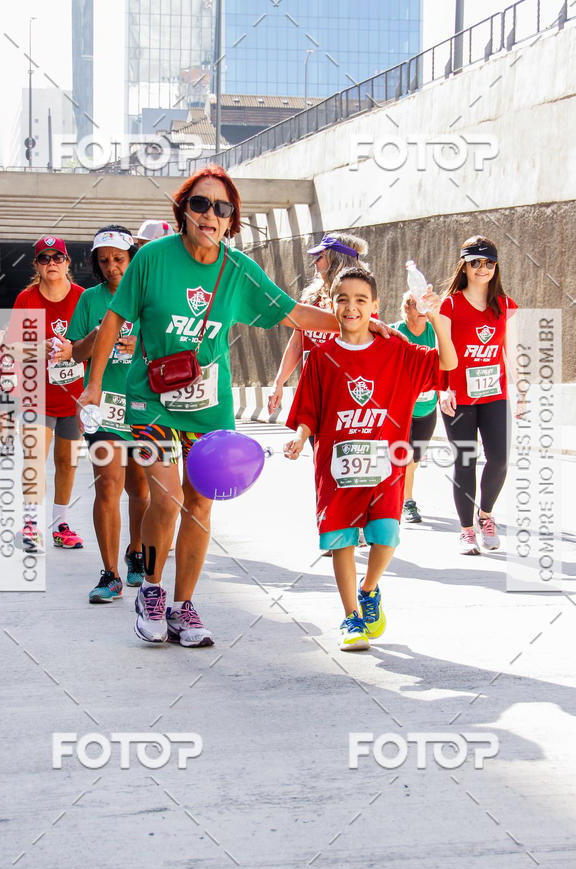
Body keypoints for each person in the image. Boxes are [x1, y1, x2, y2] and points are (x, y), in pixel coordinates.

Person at [77, 164, 398, 648]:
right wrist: (94, 384)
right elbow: (115, 318)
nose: (211, 214)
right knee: (165, 498)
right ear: (183, 209)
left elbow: (293, 312)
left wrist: (357, 320)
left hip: (211, 410)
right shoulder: (151, 260)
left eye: (222, 208)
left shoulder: (237, 270)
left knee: (201, 504)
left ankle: (184, 605)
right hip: (154, 405)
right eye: (201, 204)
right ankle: (153, 593)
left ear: (232, 219)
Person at [284, 267, 457, 651]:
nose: (351, 307)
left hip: (386, 466)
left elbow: (446, 364)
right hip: (336, 466)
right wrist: (300, 436)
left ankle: (369, 589)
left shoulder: (397, 351)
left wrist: (437, 320)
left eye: (361, 300)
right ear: (332, 305)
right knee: (340, 540)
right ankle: (349, 618)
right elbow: (309, 410)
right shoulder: (321, 356)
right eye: (343, 299)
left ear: (375, 306)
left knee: (386, 537)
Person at [67, 226, 150, 602]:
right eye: (104, 261)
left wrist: (141, 342)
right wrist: (98, 334)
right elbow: (76, 353)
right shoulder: (89, 300)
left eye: (118, 259)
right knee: (107, 485)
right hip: (104, 408)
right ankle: (110, 573)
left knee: (141, 488)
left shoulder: (150, 297)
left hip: (145, 405)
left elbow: (174, 346)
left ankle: (136, 551)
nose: (112, 267)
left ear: (132, 258)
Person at [434, 236, 524, 555]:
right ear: (465, 266)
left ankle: (485, 515)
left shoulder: (506, 304)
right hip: (457, 396)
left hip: (494, 393)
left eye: (488, 263)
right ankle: (466, 530)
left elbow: (510, 351)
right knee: (465, 461)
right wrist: (442, 388)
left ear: (495, 266)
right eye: (475, 262)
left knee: (499, 459)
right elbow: (441, 350)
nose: (482, 268)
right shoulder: (450, 304)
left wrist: (522, 389)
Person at [9, 236, 85, 551]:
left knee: (67, 463)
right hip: (35, 395)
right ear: (36, 266)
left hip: (74, 396)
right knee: (34, 459)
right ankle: (30, 525)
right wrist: (41, 348)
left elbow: (98, 340)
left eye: (57, 258)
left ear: (68, 263)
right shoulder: (26, 299)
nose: (51, 263)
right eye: (44, 258)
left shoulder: (84, 297)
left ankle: (60, 524)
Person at [267, 232, 369, 415]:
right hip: (313, 392)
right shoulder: (311, 298)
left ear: (336, 259)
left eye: (320, 257)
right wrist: (279, 383)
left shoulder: (359, 297)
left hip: (344, 394)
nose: (314, 262)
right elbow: (297, 343)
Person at [390, 291, 439, 524]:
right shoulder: (395, 332)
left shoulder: (435, 333)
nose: (422, 309)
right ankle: (407, 501)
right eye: (416, 305)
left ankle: (401, 493)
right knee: (406, 456)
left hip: (427, 408)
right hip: (402, 409)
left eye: (424, 305)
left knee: (415, 459)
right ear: (406, 309)